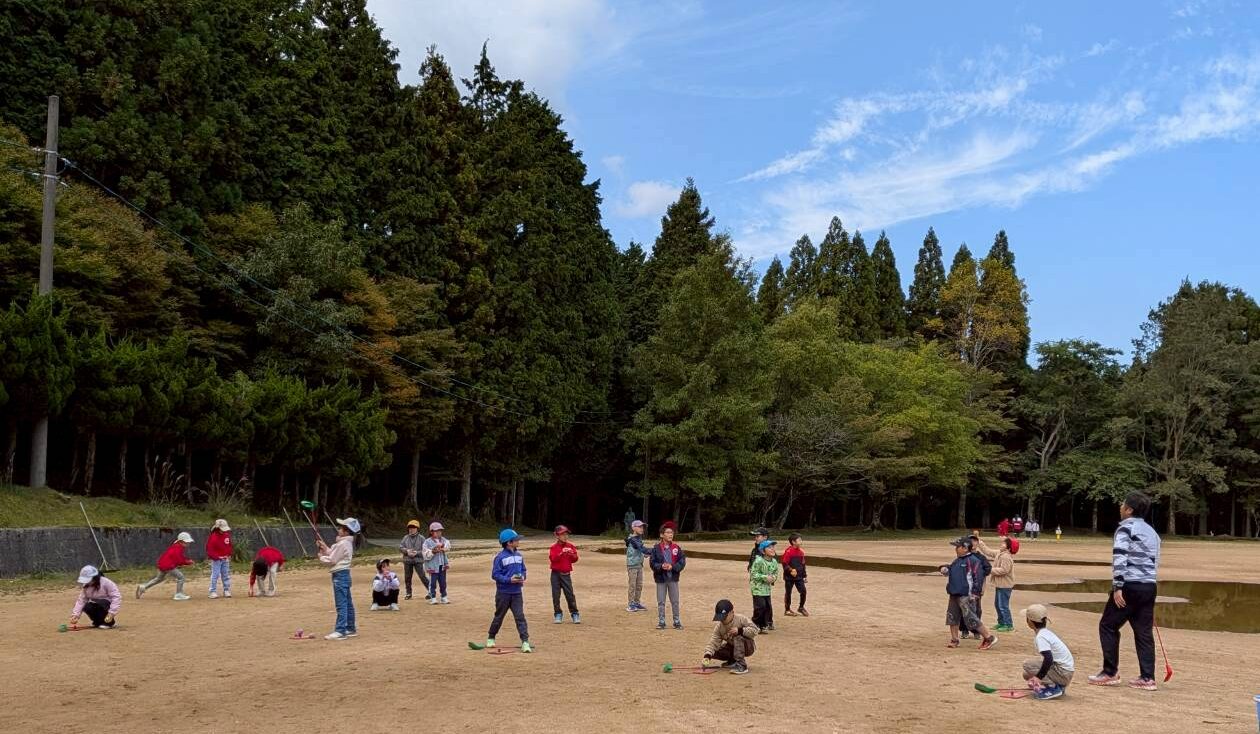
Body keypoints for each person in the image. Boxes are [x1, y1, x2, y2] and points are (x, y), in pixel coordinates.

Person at [1089, 491, 1162, 691]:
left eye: (1122, 505)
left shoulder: (1125, 529)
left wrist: (1118, 587)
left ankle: (1110, 672)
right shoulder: (1152, 532)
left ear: (1129, 510)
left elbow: (1120, 558)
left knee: (1108, 625)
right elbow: (1155, 561)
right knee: (1144, 632)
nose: (1120, 507)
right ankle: (1148, 678)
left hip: (1130, 585)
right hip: (1149, 585)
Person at [943, 537, 997, 650]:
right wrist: (944, 568)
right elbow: (951, 568)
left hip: (966, 595)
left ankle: (988, 637)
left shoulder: (973, 561)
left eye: (957, 547)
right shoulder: (957, 560)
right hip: (954, 593)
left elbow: (978, 578)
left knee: (971, 617)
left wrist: (975, 594)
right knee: (952, 617)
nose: (956, 549)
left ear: (965, 548)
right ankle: (954, 639)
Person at [485, 528, 531, 653]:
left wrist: (523, 576)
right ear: (509, 542)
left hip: (517, 593)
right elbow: (495, 575)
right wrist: (508, 580)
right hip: (503, 593)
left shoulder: (519, 556)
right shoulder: (500, 557)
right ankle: (491, 637)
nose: (518, 541)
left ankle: (525, 642)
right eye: (516, 539)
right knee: (499, 616)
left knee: (520, 617)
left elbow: (524, 569)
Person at [317, 517, 361, 640]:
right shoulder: (345, 543)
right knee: (347, 603)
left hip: (340, 576)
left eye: (341, 527)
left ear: (346, 531)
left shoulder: (343, 543)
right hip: (344, 574)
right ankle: (350, 628)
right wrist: (325, 547)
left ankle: (340, 631)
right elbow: (333, 553)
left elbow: (332, 560)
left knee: (341, 604)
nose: (338, 529)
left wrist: (321, 557)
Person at [1021, 604, 1075, 700]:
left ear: (1029, 621)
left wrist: (1038, 677)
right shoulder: (1046, 633)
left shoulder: (1041, 637)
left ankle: (1053, 688)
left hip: (1063, 673)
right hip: (1065, 672)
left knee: (1027, 665)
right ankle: (1059, 686)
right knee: (1027, 675)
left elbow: (1048, 659)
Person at [702, 599, 759, 675]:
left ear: (732, 612)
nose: (722, 620)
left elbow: (755, 630)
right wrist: (707, 656)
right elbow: (713, 642)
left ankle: (741, 665)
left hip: (747, 647)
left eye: (724, 617)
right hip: (732, 647)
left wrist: (740, 630)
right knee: (714, 651)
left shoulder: (741, 619)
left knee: (737, 637)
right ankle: (732, 661)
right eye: (720, 617)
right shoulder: (719, 627)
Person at [975, 535, 1018, 631]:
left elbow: (1004, 570)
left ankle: (1008, 624)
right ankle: (1001, 622)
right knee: (998, 604)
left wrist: (989, 570)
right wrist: (980, 543)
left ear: (1009, 547)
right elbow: (988, 552)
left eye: (1004, 543)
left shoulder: (1006, 557)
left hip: (1005, 585)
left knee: (1003, 605)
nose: (1001, 544)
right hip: (1000, 584)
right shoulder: (1000, 553)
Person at [649, 521, 687, 630]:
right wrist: (661, 566)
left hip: (673, 578)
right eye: (668, 532)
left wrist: (673, 567)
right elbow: (652, 563)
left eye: (672, 532)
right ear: (662, 535)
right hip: (661, 578)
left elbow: (682, 561)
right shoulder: (656, 548)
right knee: (661, 601)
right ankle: (661, 621)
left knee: (675, 601)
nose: (671, 534)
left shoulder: (676, 547)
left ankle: (677, 621)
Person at [136, 531, 195, 600]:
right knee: (181, 577)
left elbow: (179, 558)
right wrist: (188, 562)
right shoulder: (178, 548)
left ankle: (143, 587)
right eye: (187, 542)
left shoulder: (176, 546)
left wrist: (186, 560)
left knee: (158, 579)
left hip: (162, 564)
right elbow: (179, 560)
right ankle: (179, 594)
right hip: (168, 566)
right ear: (181, 541)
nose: (188, 544)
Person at [549, 525, 580, 624]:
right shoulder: (553, 547)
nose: (565, 536)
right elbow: (553, 559)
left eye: (566, 534)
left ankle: (575, 613)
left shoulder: (570, 546)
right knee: (556, 595)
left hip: (566, 574)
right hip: (555, 574)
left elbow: (575, 559)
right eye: (562, 534)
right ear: (557, 535)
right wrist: (561, 553)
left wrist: (571, 554)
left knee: (570, 595)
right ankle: (558, 614)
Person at [749, 539, 779, 632]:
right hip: (757, 588)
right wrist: (765, 577)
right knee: (760, 606)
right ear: (763, 551)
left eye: (773, 547)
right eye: (769, 547)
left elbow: (775, 573)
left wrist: (773, 578)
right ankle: (755, 623)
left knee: (767, 607)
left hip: (767, 589)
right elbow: (753, 574)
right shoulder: (758, 561)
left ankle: (764, 624)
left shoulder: (774, 561)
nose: (772, 549)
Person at [399, 520, 429, 601]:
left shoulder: (422, 538)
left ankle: (431, 591)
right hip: (407, 560)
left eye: (413, 528)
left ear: (417, 529)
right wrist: (407, 551)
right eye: (410, 528)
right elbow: (401, 547)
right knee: (407, 577)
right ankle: (408, 593)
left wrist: (417, 553)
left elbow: (425, 550)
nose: (411, 529)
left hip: (418, 561)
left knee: (422, 576)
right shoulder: (405, 537)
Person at [422, 521, 451, 604]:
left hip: (442, 565)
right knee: (433, 582)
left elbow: (448, 545)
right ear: (431, 532)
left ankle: (444, 596)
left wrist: (443, 548)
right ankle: (433, 597)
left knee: (443, 582)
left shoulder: (443, 540)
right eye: (436, 531)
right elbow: (425, 554)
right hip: (432, 566)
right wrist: (433, 551)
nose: (439, 533)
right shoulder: (427, 542)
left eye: (440, 531)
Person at [624, 519, 650, 612]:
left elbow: (639, 550)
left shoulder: (638, 539)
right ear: (633, 528)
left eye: (642, 527)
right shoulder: (633, 539)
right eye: (639, 526)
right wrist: (654, 551)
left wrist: (644, 554)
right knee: (632, 585)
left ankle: (636, 602)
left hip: (639, 565)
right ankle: (631, 604)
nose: (642, 528)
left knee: (639, 585)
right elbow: (642, 548)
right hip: (632, 565)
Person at [781, 533, 808, 617]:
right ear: (793, 542)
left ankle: (801, 607)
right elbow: (784, 563)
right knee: (788, 593)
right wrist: (791, 570)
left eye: (801, 539)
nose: (801, 541)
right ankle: (787, 610)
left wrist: (804, 576)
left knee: (803, 591)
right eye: (799, 540)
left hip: (799, 577)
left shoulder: (801, 552)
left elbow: (803, 564)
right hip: (789, 577)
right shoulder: (788, 551)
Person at [206, 518, 233, 599]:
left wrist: (228, 554)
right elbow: (209, 549)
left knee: (226, 575)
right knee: (215, 575)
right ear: (218, 528)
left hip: (225, 559)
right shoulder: (213, 537)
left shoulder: (227, 535)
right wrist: (216, 557)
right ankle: (212, 591)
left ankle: (226, 590)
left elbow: (229, 545)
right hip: (216, 560)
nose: (225, 531)